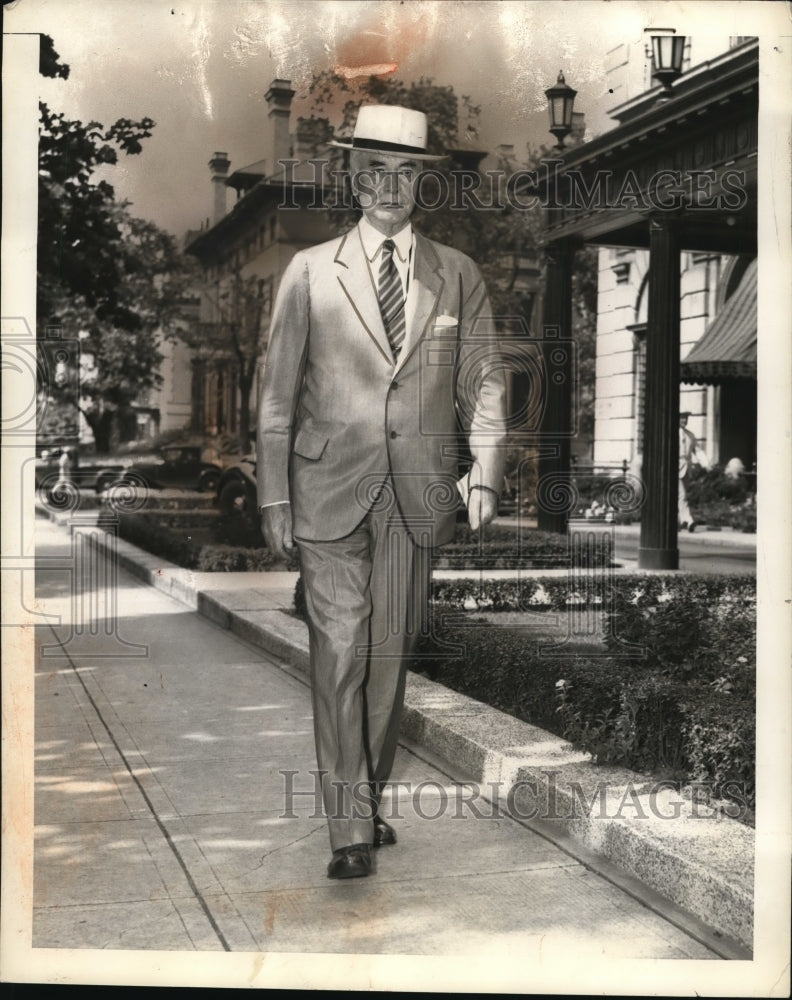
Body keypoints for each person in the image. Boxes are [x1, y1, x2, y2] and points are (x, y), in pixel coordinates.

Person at [256, 104, 506, 879]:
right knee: (338, 653)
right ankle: (348, 830)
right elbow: (275, 393)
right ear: (356, 179)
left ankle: (364, 797)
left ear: (422, 184)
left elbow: (484, 383)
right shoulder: (308, 271)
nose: (391, 187)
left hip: (418, 493)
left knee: (388, 658)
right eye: (377, 172)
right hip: (326, 486)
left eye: (407, 173)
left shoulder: (457, 273)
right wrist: (273, 496)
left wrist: (486, 472)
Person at [678, 411, 709, 531]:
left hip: (686, 468)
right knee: (682, 495)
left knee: (681, 496)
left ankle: (682, 520)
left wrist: (706, 464)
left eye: (686, 419)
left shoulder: (690, 435)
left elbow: (697, 450)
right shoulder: (670, 433)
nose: (684, 421)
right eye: (682, 418)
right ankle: (689, 520)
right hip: (674, 468)